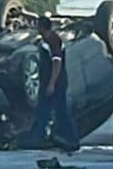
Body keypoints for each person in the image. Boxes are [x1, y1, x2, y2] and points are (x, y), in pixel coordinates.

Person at [26, 16, 80, 152]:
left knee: (61, 111)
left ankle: (72, 140)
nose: (36, 29)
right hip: (47, 83)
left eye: (38, 26)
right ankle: (37, 139)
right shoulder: (44, 41)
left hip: (57, 83)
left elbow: (57, 62)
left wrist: (52, 83)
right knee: (42, 111)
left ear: (42, 27)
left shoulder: (53, 40)